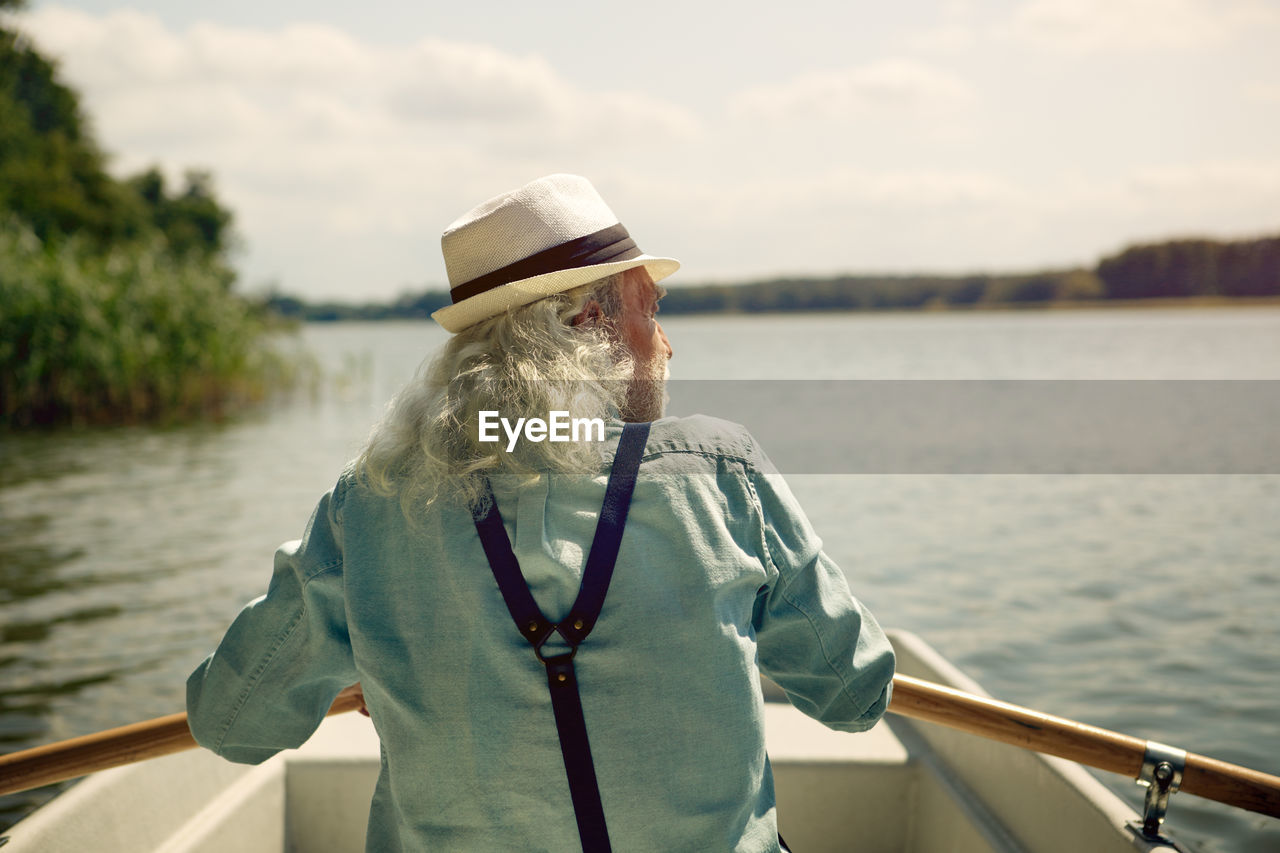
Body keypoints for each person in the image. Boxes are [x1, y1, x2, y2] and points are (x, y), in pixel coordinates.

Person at [186, 174, 895, 852]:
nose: (667, 342)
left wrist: (377, 656)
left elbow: (230, 721)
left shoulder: (370, 504)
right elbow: (854, 692)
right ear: (590, 322)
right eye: (652, 309)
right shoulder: (720, 472)